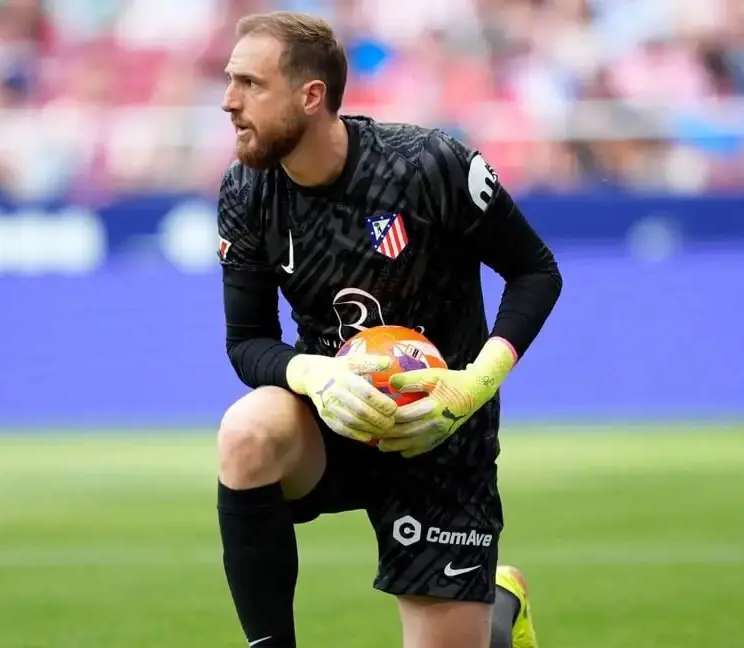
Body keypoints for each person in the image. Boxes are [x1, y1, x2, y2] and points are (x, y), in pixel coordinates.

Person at [215, 11, 562, 648]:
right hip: (337, 415)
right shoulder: (247, 191)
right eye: (230, 81)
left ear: (310, 95)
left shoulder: (427, 164)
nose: (228, 101)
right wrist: (314, 375)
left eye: (250, 84)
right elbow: (247, 342)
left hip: (439, 430)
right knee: (247, 430)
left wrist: (475, 385)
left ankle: (500, 605)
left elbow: (536, 271)